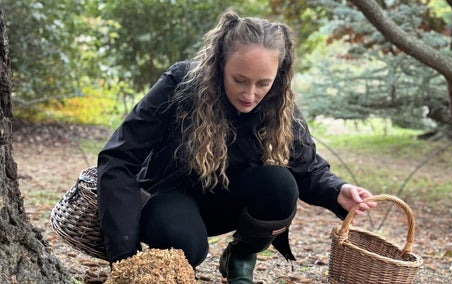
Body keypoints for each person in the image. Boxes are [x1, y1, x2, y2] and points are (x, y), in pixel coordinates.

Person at [97, 10, 376, 283]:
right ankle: (178, 258)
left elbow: (306, 167)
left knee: (280, 184)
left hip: (228, 201)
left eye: (263, 83)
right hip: (168, 198)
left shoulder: (278, 102)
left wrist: (337, 190)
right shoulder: (180, 83)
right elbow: (119, 159)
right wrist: (125, 257)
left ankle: (240, 256)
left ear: (277, 75)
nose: (250, 94)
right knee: (183, 242)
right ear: (220, 65)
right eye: (239, 80)